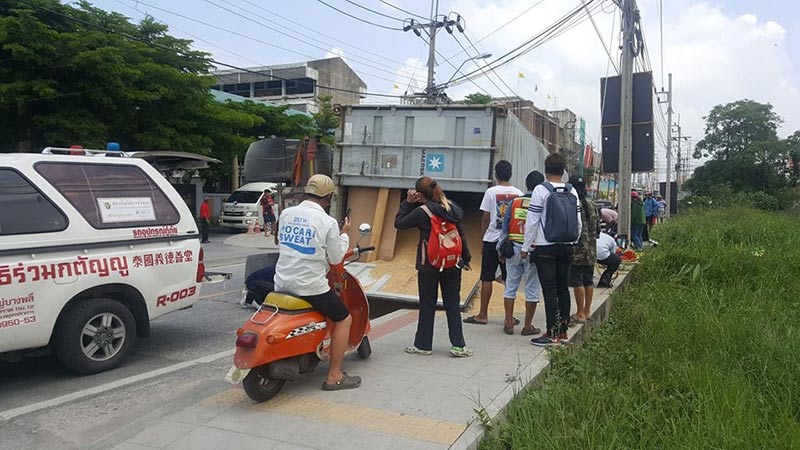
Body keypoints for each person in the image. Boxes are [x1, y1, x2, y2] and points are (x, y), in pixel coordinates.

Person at [273, 174, 360, 391]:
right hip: (310, 287)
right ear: (328, 198)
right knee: (343, 319)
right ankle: (334, 375)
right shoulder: (328, 222)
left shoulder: (286, 213)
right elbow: (336, 258)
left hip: (282, 283)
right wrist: (345, 234)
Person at [395, 177, 473, 357]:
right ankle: (458, 346)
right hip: (452, 262)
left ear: (420, 195)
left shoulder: (422, 211)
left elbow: (399, 223)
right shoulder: (452, 207)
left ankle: (423, 345)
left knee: (427, 303)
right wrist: (465, 258)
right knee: (452, 304)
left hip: (429, 264)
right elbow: (461, 233)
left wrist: (407, 203)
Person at [522, 153, 582, 346]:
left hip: (545, 247)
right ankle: (563, 332)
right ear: (563, 170)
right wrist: (574, 240)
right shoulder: (572, 191)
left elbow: (532, 222)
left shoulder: (541, 190)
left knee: (549, 290)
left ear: (546, 170)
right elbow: (578, 222)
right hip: (567, 246)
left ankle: (551, 333)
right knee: (563, 289)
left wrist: (525, 247)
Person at [463, 160, 523, 325]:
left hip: (491, 240)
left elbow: (486, 219)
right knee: (509, 279)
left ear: (496, 175)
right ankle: (509, 316)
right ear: (510, 174)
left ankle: (483, 314)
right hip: (508, 242)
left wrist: (483, 239)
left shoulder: (490, 192)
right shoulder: (518, 193)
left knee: (487, 277)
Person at [497, 170, 544, 336]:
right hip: (533, 250)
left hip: (513, 249)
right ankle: (527, 325)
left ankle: (509, 322)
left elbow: (505, 227)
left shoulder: (515, 202)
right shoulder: (543, 203)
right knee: (532, 288)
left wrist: (500, 249)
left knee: (510, 286)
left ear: (526, 184)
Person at [568, 176, 598, 324]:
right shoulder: (592, 204)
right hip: (591, 250)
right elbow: (597, 230)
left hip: (577, 251)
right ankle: (587, 311)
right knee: (588, 280)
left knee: (577, 281)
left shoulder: (573, 204)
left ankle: (579, 312)